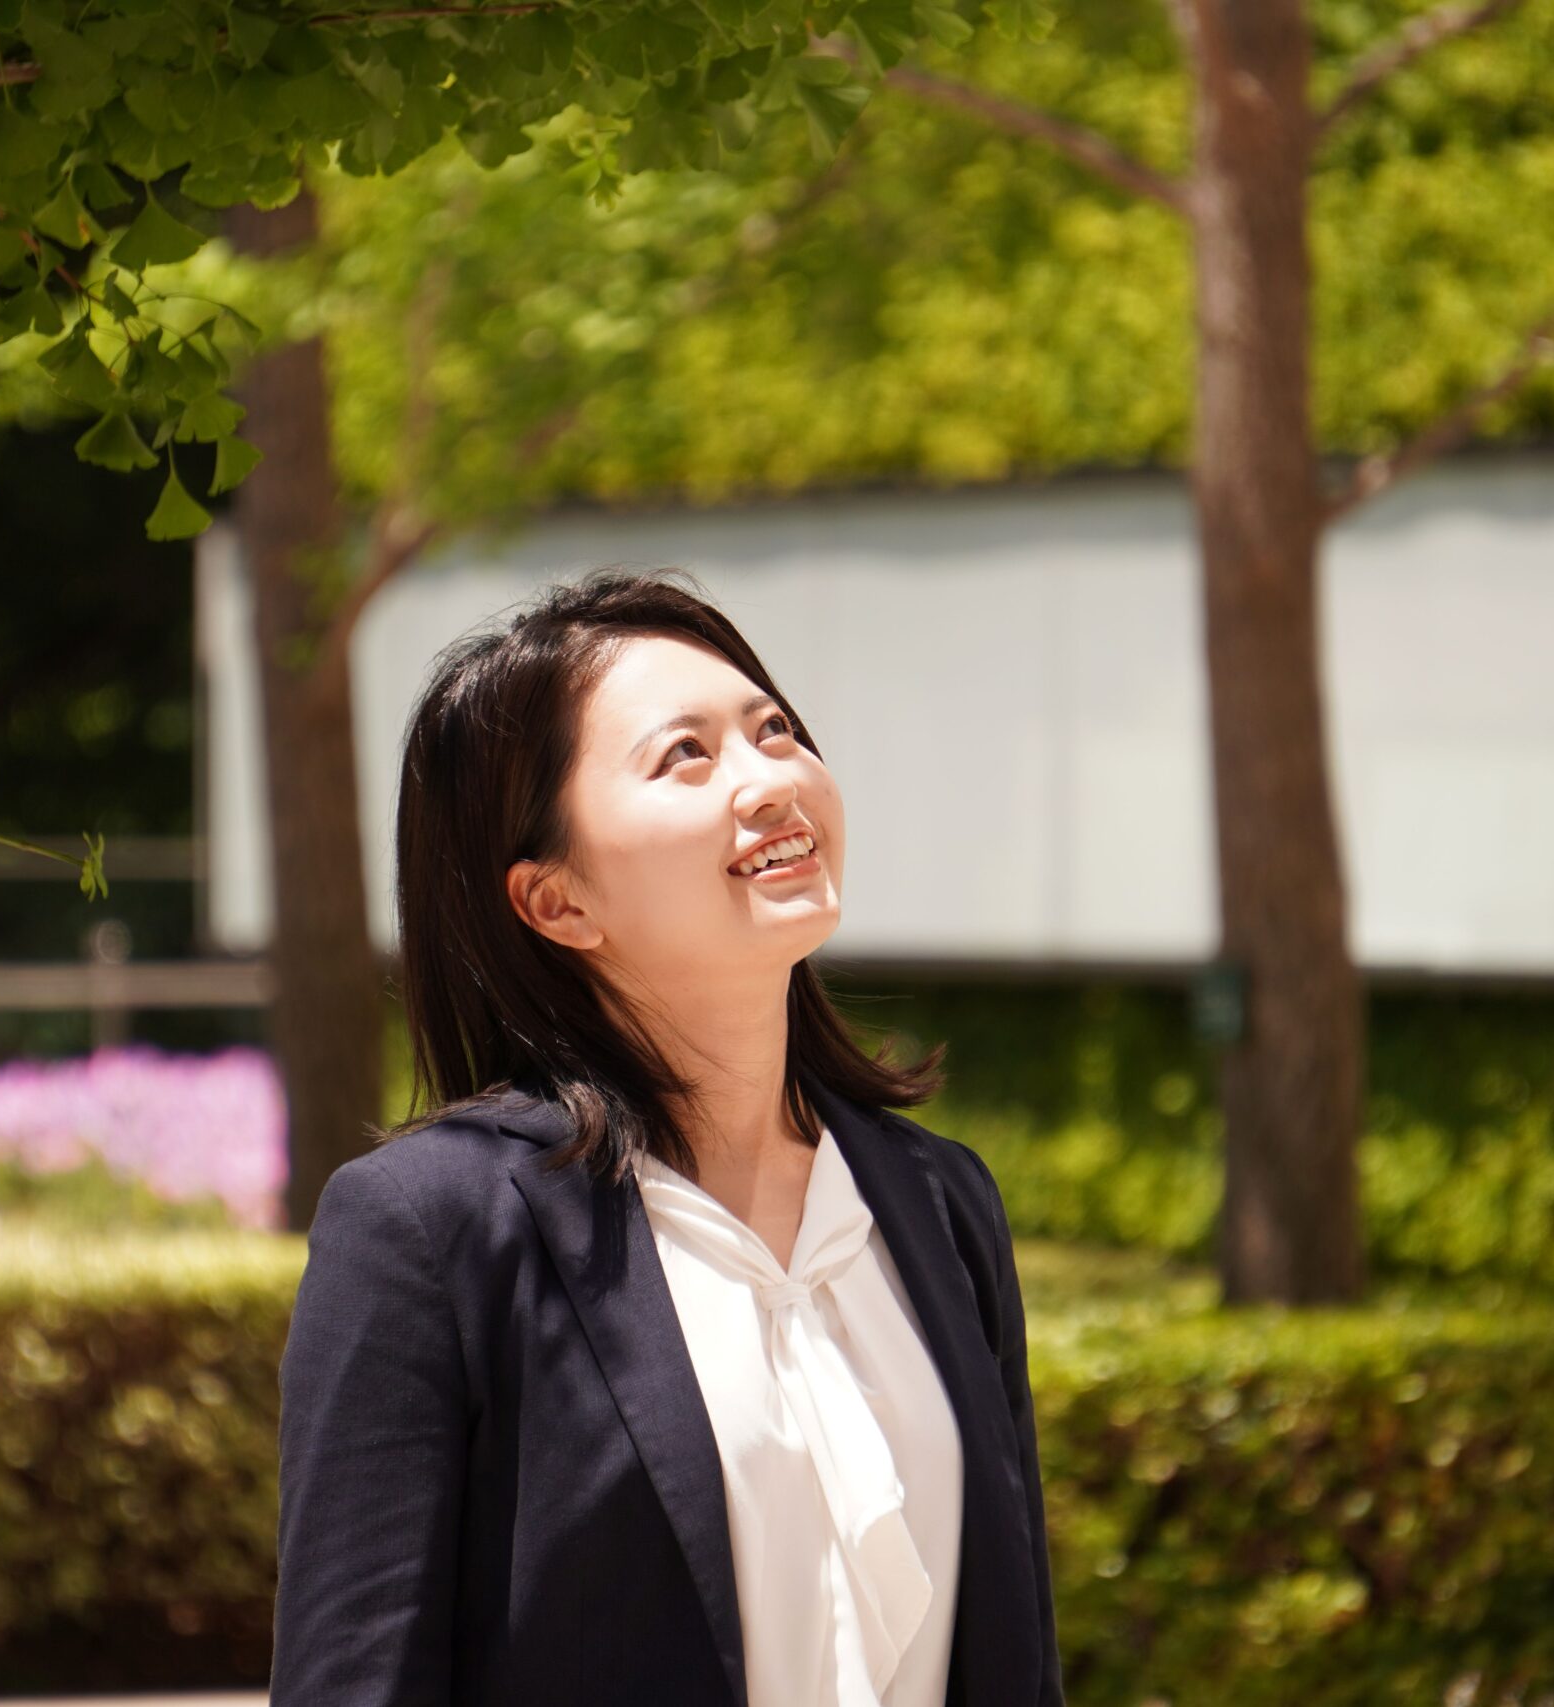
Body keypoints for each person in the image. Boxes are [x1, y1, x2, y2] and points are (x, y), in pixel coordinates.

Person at [270, 567, 1063, 1707]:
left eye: (774, 730)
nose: (772, 780)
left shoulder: (936, 1200)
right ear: (557, 901)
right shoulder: (430, 1231)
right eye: (685, 755)